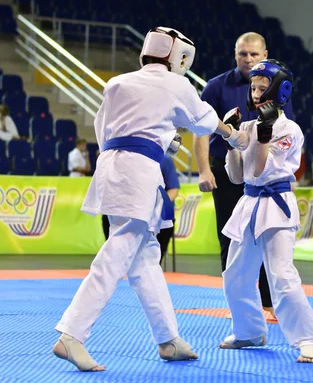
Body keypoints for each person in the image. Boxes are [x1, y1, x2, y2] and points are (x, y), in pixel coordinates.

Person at [52, 26, 249, 372]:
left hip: (112, 164)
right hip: (137, 171)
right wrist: (231, 134)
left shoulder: (118, 83)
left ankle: (168, 339)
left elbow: (106, 130)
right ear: (181, 58)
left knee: (145, 257)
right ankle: (72, 333)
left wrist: (159, 141)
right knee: (118, 251)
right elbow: (203, 121)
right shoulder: (176, 83)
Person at [219, 59, 313, 363]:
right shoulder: (249, 126)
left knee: (281, 275)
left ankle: (307, 340)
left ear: (280, 92)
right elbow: (238, 177)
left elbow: (263, 171)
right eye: (253, 87)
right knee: (235, 275)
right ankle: (249, 331)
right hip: (249, 204)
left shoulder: (290, 130)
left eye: (263, 88)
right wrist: (230, 138)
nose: (256, 93)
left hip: (276, 206)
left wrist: (262, 137)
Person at [193, 32, 294, 319]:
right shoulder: (216, 86)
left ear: (264, 54)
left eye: (253, 54)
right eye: (242, 54)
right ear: (235, 54)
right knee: (230, 236)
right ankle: (238, 304)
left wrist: (284, 175)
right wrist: (203, 170)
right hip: (225, 166)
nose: (248, 59)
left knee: (265, 236)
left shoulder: (278, 85)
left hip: (265, 172)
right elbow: (202, 129)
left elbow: (286, 131)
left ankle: (268, 303)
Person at [157, 153, 180, 265]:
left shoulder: (164, 159)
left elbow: (173, 189)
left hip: (158, 215)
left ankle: (156, 262)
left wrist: (157, 207)